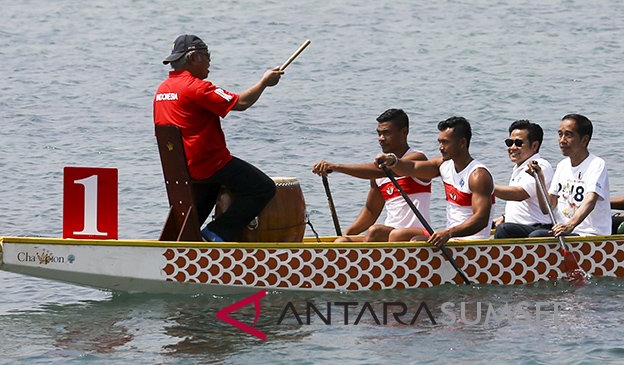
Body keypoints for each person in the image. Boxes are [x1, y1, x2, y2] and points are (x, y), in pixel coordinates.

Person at [153, 34, 283, 242]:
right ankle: (215, 234)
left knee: (214, 186)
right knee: (262, 187)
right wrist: (264, 82)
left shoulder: (162, 90)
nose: (210, 61)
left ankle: (185, 239)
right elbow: (241, 103)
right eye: (207, 56)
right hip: (208, 164)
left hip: (181, 167)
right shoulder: (196, 87)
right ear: (193, 58)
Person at [311, 108, 432, 242]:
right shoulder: (377, 173)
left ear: (404, 132)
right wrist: (345, 236)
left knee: (380, 232)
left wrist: (336, 167)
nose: (381, 139)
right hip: (389, 235)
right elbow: (371, 211)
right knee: (343, 242)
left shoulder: (417, 159)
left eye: (386, 133)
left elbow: (381, 171)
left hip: (420, 234)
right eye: (379, 134)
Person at [374, 116, 495, 248]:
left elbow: (481, 219)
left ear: (462, 143)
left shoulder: (478, 175)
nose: (441, 147)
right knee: (404, 238)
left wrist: (449, 233)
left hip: (474, 245)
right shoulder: (443, 165)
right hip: (453, 241)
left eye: (445, 142)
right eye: (439, 142)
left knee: (415, 242)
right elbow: (412, 167)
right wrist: (393, 161)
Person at [528, 114, 611, 237]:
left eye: (568, 135)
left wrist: (570, 225)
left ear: (584, 140)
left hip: (588, 234)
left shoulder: (596, 164)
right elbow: (547, 208)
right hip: (561, 230)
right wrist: (539, 178)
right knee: (506, 230)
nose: (562, 140)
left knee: (536, 236)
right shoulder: (562, 165)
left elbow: (590, 201)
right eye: (560, 134)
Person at [492, 120, 554, 238]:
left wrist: (487, 186)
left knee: (504, 230)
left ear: (534, 145)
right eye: (509, 142)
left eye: (519, 143)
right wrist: (505, 218)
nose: (513, 147)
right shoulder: (518, 167)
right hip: (521, 228)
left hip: (539, 228)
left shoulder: (539, 165)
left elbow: (520, 194)